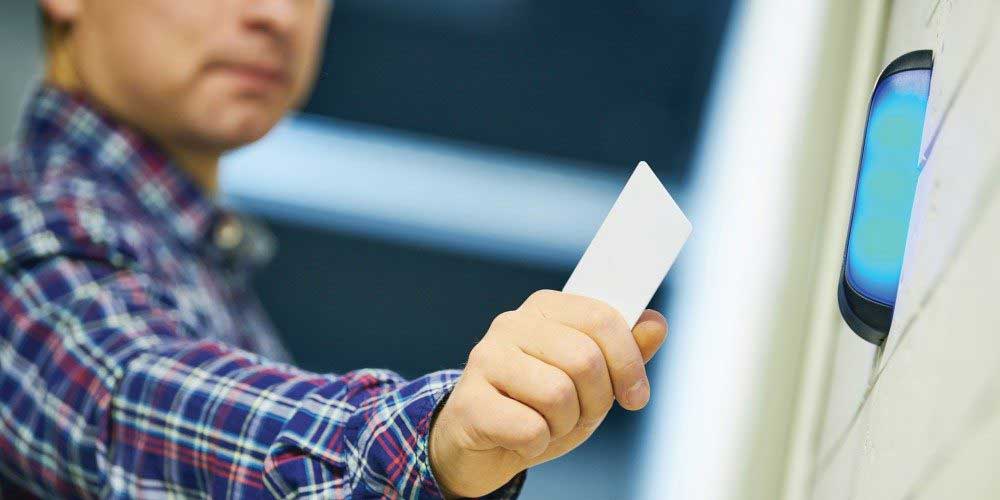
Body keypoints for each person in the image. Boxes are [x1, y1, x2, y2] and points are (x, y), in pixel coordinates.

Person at [0, 1, 669, 498]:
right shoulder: (22, 236)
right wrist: (439, 439)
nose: (277, 15)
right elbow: (131, 399)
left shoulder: (184, 255)